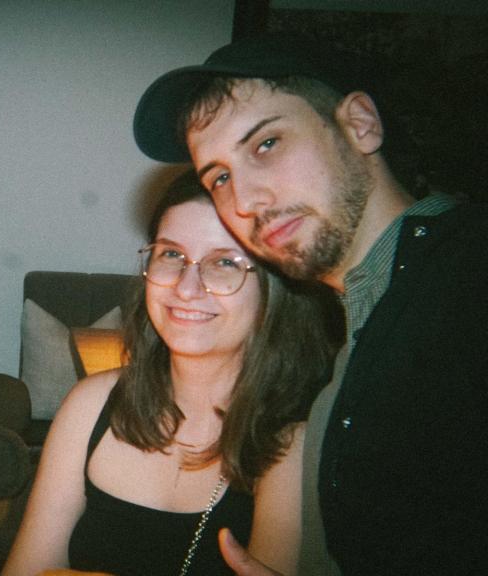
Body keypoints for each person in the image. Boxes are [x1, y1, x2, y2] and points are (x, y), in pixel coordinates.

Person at [133, 34, 488, 575]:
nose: (245, 202)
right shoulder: (358, 334)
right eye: (220, 177)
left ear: (360, 124)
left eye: (266, 144)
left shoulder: (468, 274)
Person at [1, 171, 340, 576]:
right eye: (172, 255)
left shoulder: (295, 440)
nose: (185, 287)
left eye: (224, 263)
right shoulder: (90, 404)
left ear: (275, 288)